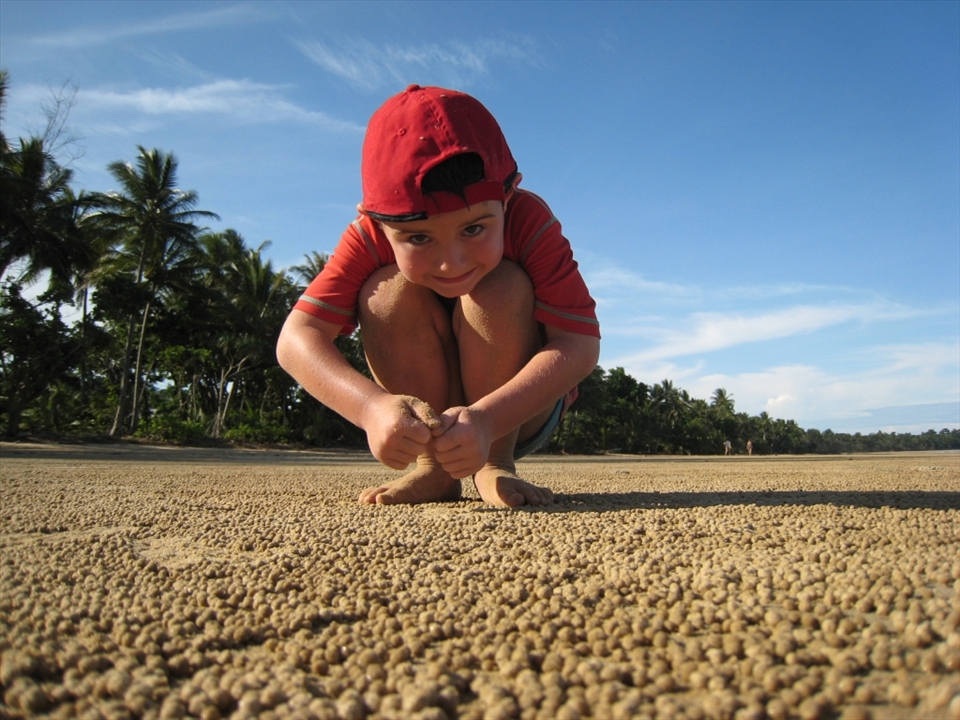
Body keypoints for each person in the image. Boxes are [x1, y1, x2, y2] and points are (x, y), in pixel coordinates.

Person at [276, 85, 600, 507]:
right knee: (384, 294)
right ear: (375, 220)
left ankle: (494, 463)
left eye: (474, 229)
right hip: (431, 416)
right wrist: (371, 408)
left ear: (507, 195)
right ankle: (433, 469)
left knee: (499, 285)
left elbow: (579, 346)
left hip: (519, 416)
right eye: (418, 237)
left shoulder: (529, 220)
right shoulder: (367, 237)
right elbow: (296, 340)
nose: (451, 262)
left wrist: (487, 422)